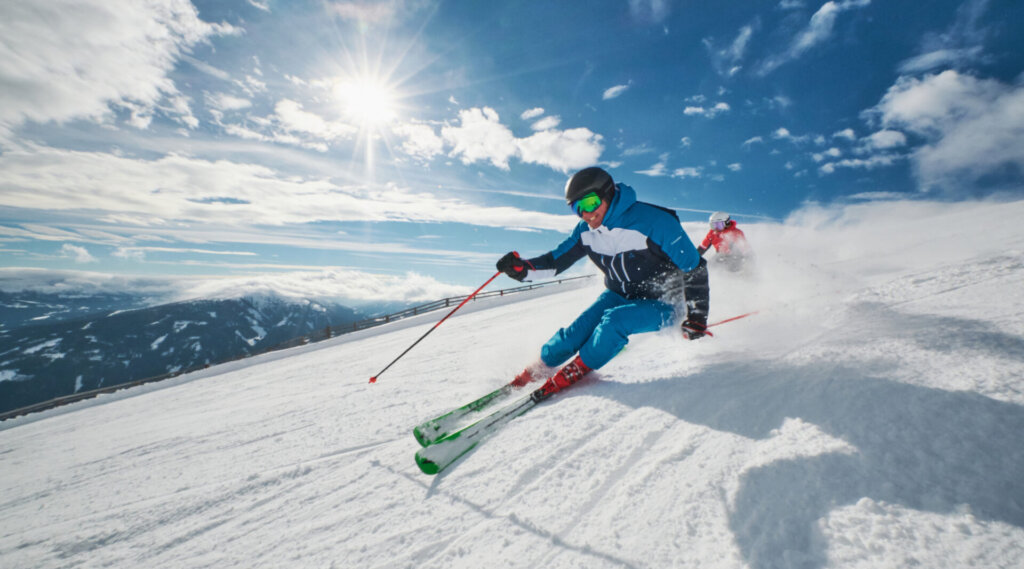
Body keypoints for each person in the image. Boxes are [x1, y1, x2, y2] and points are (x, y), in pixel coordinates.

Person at [496, 166, 710, 402]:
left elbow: (694, 267)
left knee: (614, 322)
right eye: (577, 208)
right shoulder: (585, 231)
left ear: (609, 193)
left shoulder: (655, 221)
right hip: (618, 294)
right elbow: (555, 262)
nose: (586, 213)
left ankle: (580, 367)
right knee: (574, 334)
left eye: (590, 203)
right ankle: (536, 369)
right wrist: (521, 270)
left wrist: (697, 318)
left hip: (665, 302)